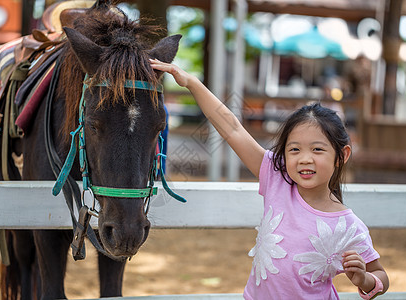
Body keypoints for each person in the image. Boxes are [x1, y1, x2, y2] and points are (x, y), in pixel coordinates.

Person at [150, 59, 389, 300]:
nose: (304, 159)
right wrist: (191, 82)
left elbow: (379, 275)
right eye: (294, 150)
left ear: (342, 155)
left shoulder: (347, 226)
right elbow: (232, 129)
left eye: (317, 150)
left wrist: (365, 280)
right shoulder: (278, 178)